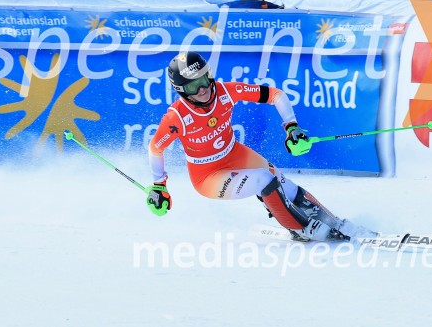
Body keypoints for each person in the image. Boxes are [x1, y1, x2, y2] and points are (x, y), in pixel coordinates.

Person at [146, 52, 365, 242]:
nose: (203, 89)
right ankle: (301, 228)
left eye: (204, 79)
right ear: (181, 90)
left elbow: (276, 95)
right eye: (193, 86)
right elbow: (156, 148)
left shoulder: (225, 91)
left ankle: (333, 221)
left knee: (282, 182)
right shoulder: (176, 117)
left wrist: (291, 126)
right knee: (263, 179)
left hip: (233, 153)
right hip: (207, 175)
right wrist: (159, 185)